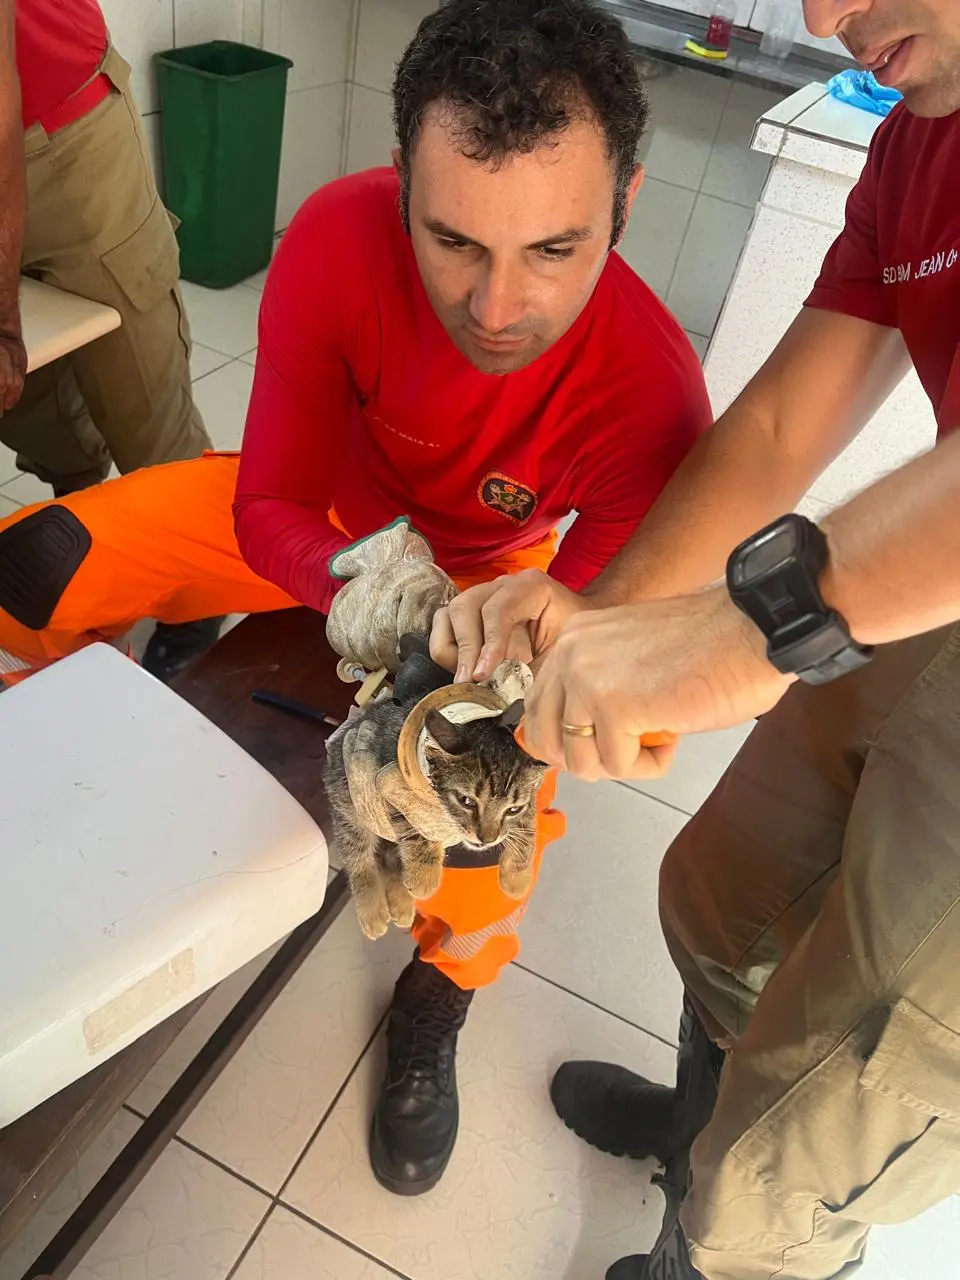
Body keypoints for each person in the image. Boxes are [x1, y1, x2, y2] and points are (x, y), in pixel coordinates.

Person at [0, 0, 712, 1195]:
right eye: (454, 241)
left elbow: (576, 643)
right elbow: (266, 499)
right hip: (333, 533)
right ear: (396, 187)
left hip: (502, 586)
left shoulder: (655, 400)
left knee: (490, 814)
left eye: (553, 249)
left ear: (626, 208)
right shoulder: (335, 237)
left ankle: (443, 991)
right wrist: (372, 590)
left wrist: (490, 674)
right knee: (40, 553)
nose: (495, 307)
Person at [431, 0, 960, 1276]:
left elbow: (749, 619)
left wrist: (740, 629)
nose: (828, 17)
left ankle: (723, 1240)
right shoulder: (917, 136)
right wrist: (602, 625)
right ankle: (693, 1132)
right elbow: (781, 424)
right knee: (728, 899)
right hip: (930, 585)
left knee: (830, 1111)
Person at [0, 0, 219, 678]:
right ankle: (89, 535)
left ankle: (197, 600)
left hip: (63, 134)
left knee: (138, 389)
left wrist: (3, 319)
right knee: (31, 398)